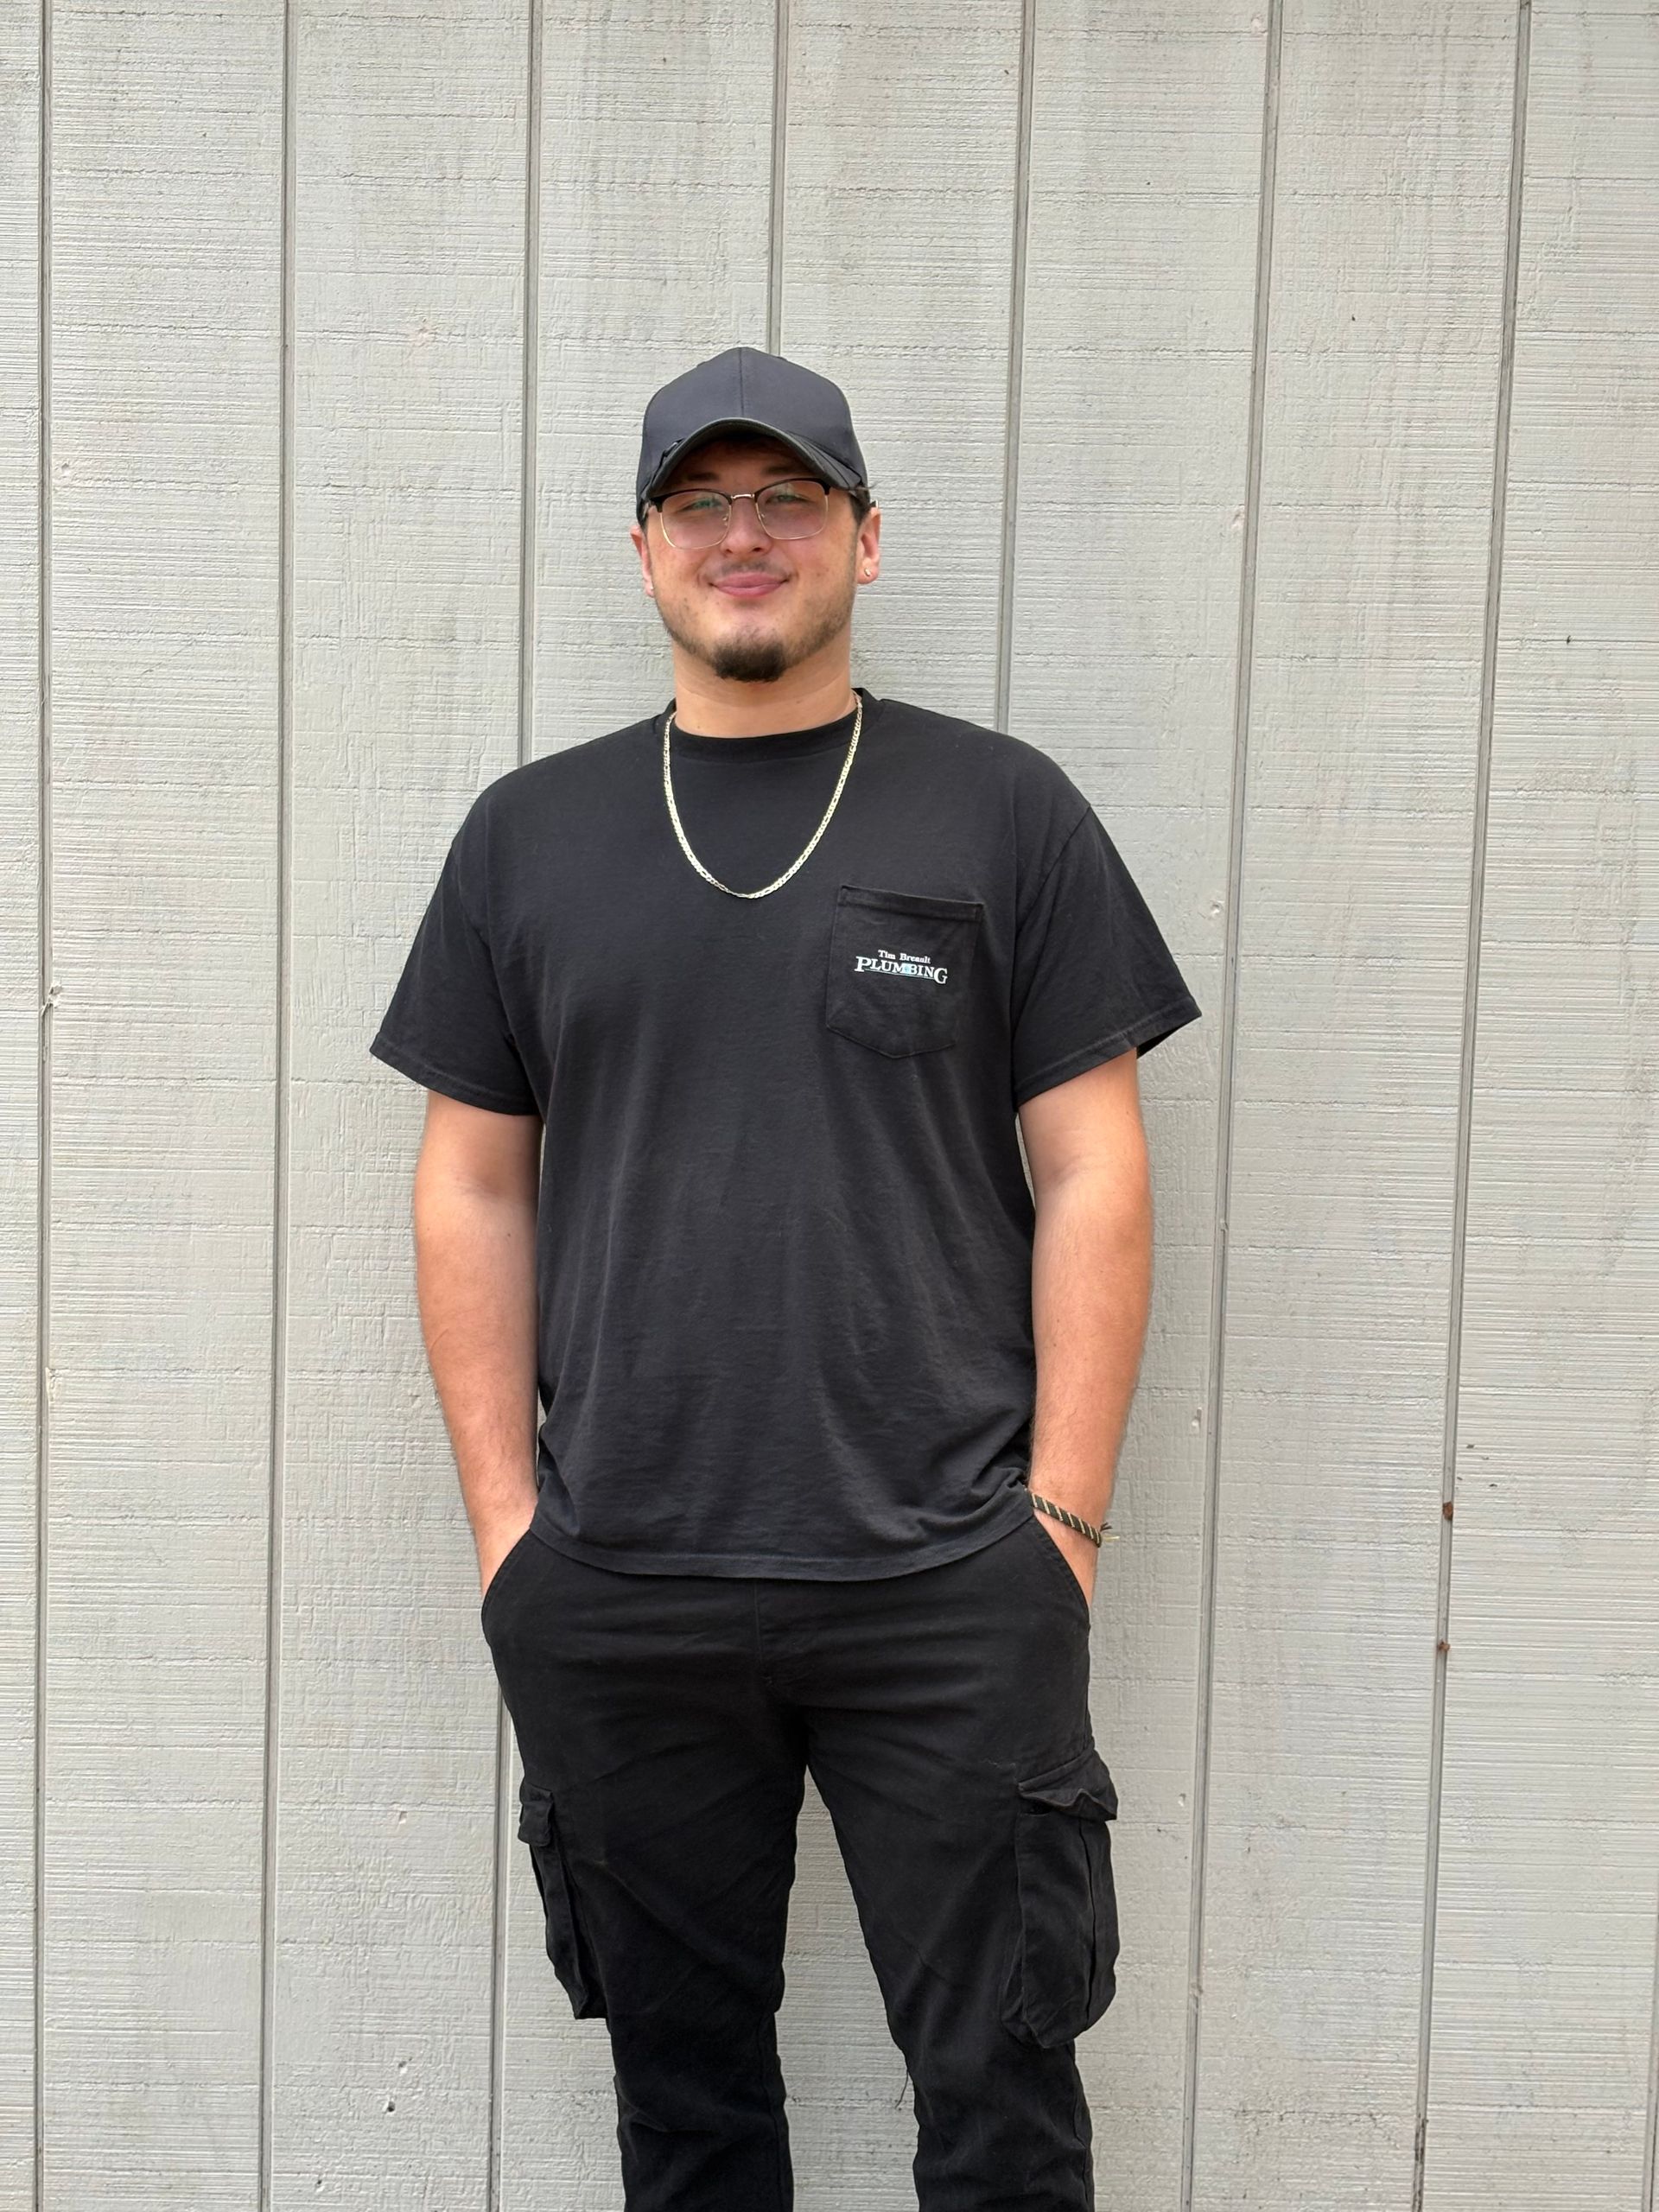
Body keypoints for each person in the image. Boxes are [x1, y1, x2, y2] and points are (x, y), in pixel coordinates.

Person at [370, 342, 1202, 2211]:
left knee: (1001, 2109)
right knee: (690, 2116)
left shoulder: (1004, 815)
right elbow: (471, 1187)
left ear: (864, 539)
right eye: (705, 502)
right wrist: (515, 1528)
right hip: (626, 1584)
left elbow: (1095, 1170)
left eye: (791, 500)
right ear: (647, 546)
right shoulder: (531, 836)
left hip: (946, 1583)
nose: (747, 537)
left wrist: (1056, 1519)